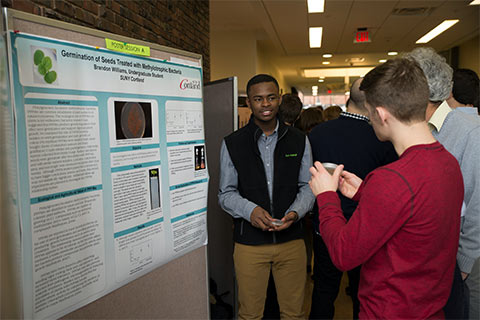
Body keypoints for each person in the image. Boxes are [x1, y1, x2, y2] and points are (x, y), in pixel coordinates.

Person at [308, 58, 464, 318]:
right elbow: (415, 214)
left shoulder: (391, 179)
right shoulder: (447, 162)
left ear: (380, 114)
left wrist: (326, 197)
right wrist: (364, 193)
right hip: (431, 309)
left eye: (369, 112)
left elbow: (344, 254)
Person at [218, 74, 315, 319]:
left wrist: (295, 212)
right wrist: (250, 210)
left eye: (271, 98)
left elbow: (308, 186)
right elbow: (225, 194)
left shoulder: (299, 140)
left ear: (279, 99)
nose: (265, 104)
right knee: (250, 315)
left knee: (294, 314)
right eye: (258, 99)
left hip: (292, 242)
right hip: (249, 245)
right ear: (248, 102)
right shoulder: (232, 143)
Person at [308, 78, 397, 320]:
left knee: (324, 291)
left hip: (326, 224)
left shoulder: (318, 133)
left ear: (349, 98)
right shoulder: (383, 138)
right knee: (363, 292)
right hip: (366, 228)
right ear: (372, 102)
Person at [406, 47, 480, 319]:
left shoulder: (470, 133)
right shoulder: (417, 129)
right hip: (428, 261)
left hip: (458, 265)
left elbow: (476, 204)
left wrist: (463, 263)